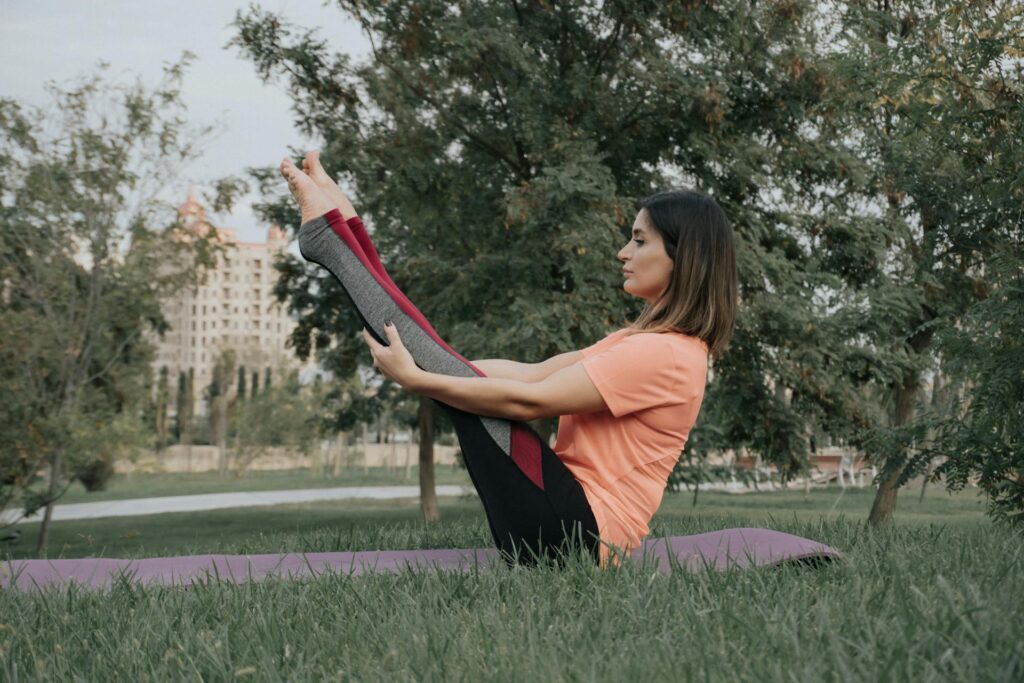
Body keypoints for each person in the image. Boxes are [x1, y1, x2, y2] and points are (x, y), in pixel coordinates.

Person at [280, 151, 737, 568]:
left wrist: (423, 380)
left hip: (576, 536)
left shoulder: (667, 355)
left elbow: (528, 402)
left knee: (468, 390)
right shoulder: (645, 341)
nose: (623, 252)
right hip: (565, 522)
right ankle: (343, 231)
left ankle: (335, 240)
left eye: (639, 241)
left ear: (682, 258)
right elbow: (532, 373)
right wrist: (436, 367)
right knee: (453, 372)